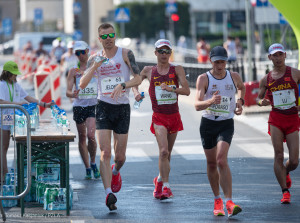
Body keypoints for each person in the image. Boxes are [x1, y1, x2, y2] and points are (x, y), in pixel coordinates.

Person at [79, 23, 142, 211]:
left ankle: (115, 171)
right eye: (104, 36)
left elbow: (138, 78)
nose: (108, 39)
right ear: (99, 39)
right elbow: (82, 84)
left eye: (111, 35)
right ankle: (108, 193)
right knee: (105, 152)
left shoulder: (125, 54)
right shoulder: (94, 58)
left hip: (122, 107)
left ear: (115, 35)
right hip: (104, 106)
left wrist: (123, 85)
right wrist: (95, 66)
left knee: (120, 156)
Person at [194, 46, 245, 217]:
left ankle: (229, 201)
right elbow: (196, 104)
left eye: (222, 61)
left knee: (221, 160)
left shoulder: (234, 76)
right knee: (211, 164)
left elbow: (241, 88)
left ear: (226, 61)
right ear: (211, 61)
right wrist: (210, 101)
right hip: (208, 123)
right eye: (216, 62)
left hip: (226, 123)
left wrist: (240, 102)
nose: (219, 65)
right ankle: (217, 200)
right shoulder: (203, 78)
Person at [139, 39, 190, 200]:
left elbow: (187, 90)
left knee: (167, 155)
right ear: (155, 53)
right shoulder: (148, 70)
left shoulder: (177, 69)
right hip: (159, 117)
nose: (164, 54)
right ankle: (166, 187)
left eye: (167, 51)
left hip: (174, 116)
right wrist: (134, 92)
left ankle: (159, 180)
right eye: (161, 51)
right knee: (163, 151)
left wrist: (172, 88)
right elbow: (136, 81)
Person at [256, 43, 300, 204]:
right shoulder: (266, 79)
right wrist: (263, 102)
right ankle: (285, 191)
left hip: (292, 118)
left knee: (294, 160)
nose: (278, 58)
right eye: (275, 55)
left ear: (285, 55)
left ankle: (285, 171)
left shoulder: (295, 73)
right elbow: (257, 99)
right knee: (279, 155)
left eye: (280, 54)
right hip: (276, 119)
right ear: (270, 57)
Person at [0, 61, 55, 182]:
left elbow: (28, 97)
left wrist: (44, 104)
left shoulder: (16, 85)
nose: (16, 76)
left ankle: (10, 174)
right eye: (14, 74)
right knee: (3, 147)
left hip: (16, 118)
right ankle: (4, 174)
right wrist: (17, 104)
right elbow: (1, 101)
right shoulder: (2, 85)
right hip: (4, 118)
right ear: (7, 73)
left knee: (16, 144)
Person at [66, 41, 100, 180]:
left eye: (82, 52)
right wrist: (72, 94)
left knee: (91, 136)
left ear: (87, 51)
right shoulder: (73, 71)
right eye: (77, 53)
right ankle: (87, 167)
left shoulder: (96, 67)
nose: (80, 55)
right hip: (79, 106)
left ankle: (93, 162)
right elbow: (67, 90)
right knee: (82, 137)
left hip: (92, 105)